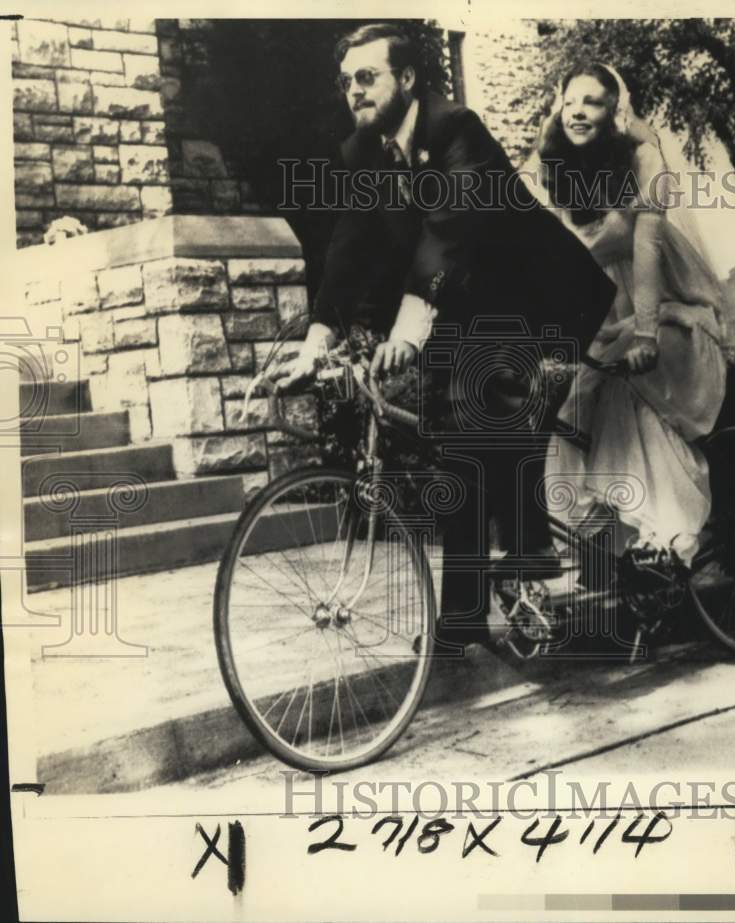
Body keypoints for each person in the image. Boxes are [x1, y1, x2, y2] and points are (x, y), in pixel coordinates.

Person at [279, 25, 617, 647]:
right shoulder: (362, 152)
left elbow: (449, 229)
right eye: (346, 80)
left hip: (540, 303)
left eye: (367, 76)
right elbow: (348, 248)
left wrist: (409, 327)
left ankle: (530, 578)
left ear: (406, 79)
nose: (353, 90)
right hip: (465, 305)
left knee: (495, 416)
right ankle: (462, 620)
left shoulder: (457, 128)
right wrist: (316, 340)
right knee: (454, 453)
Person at [521, 62, 727, 571]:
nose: (578, 111)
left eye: (592, 102)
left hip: (673, 318)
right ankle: (598, 554)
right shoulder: (554, 166)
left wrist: (646, 331)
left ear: (616, 113)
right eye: (571, 101)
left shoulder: (643, 160)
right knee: (565, 414)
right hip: (610, 321)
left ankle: (670, 538)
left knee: (620, 393)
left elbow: (648, 249)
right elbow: (531, 252)